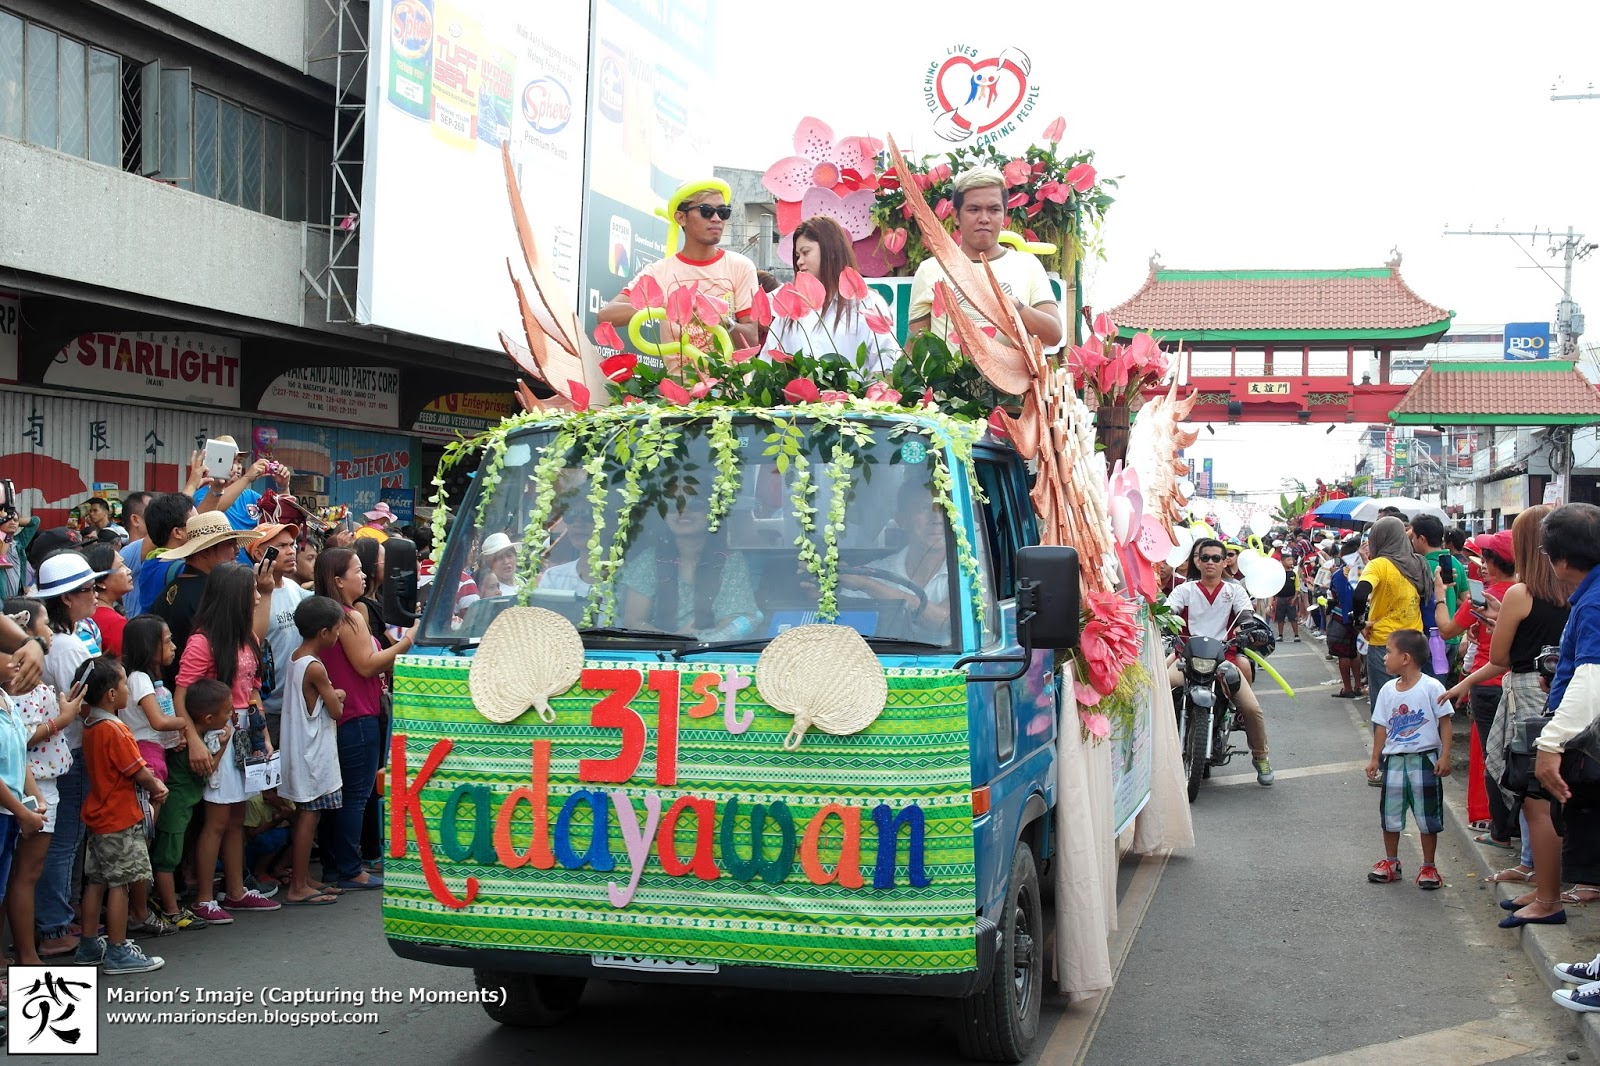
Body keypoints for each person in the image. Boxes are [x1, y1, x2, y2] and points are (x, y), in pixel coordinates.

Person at [1444, 505, 1572, 900]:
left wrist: (1498, 624)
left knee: (1533, 792)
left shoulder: (1522, 593)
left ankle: (1542, 884)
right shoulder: (1572, 593)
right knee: (1556, 789)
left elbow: (1501, 658)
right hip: (1563, 693)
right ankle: (1537, 867)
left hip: (1529, 699)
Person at [174, 563, 280, 924]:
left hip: (244, 732)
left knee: (235, 818)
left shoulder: (244, 636)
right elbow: (181, 694)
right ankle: (204, 897)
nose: (255, 594)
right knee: (217, 820)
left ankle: (235, 891)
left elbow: (251, 689)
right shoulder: (202, 641)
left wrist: (261, 733)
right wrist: (194, 742)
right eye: (250, 589)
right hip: (218, 737)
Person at [314, 548, 416, 891]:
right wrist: (407, 643)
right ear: (338, 580)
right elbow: (367, 665)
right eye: (357, 571)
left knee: (339, 797)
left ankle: (336, 865)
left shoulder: (332, 614)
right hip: (357, 713)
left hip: (346, 714)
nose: (363, 576)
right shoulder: (348, 617)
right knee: (355, 796)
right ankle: (350, 867)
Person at [70, 656, 167, 974]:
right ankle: (117, 950)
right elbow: (136, 770)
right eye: (124, 683)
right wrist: (157, 788)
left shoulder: (90, 724)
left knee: (96, 881)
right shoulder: (115, 730)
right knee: (121, 884)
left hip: (98, 816)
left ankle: (88, 944)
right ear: (111, 694)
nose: (127, 688)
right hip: (120, 819)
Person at [33, 550, 107, 959]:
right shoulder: (66, 648)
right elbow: (86, 702)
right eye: (88, 589)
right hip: (68, 751)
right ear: (66, 598)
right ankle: (55, 925)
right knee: (64, 843)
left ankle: (58, 916)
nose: (95, 594)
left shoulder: (55, 642)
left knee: (61, 843)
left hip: (55, 752)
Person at [2, 597, 82, 964]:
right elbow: (24, 742)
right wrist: (61, 720)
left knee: (18, 875)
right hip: (20, 796)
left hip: (34, 792)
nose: (48, 632)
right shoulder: (16, 692)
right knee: (24, 876)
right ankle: (28, 955)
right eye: (43, 624)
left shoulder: (14, 693)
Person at [907, 167, 1062, 349]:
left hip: (1015, 377)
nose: (984, 218)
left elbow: (1054, 335)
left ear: (1004, 215)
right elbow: (916, 346)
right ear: (956, 216)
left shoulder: (1027, 265)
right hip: (950, 378)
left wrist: (1015, 306)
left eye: (994, 210)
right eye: (973, 209)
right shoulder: (930, 269)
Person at [598, 184, 760, 357]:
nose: (716, 218)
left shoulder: (741, 266)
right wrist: (664, 306)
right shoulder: (659, 271)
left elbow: (751, 340)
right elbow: (606, 315)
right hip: (677, 383)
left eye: (723, 212)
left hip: (730, 383)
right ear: (681, 217)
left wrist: (722, 321)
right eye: (706, 211)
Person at [1430, 530, 1517, 848]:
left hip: (1488, 682)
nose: (1479, 563)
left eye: (1484, 557)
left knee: (1490, 756)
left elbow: (1448, 627)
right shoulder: (1528, 591)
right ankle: (1510, 823)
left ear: (1494, 562)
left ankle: (1495, 823)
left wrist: (1441, 593)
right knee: (1516, 757)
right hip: (1517, 682)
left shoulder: (1488, 596)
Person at [1163, 537, 1273, 786]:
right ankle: (1153, 753)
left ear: (1225, 562)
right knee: (1159, 690)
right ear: (1197, 561)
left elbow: (1246, 614)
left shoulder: (1235, 591)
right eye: (1205, 558)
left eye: (1216, 558)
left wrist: (1250, 628)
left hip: (1224, 661)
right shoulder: (1184, 590)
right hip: (1187, 659)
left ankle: (1261, 756)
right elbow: (1170, 611)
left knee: (1252, 709)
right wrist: (1162, 621)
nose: (1210, 562)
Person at [1364, 628, 1451, 888]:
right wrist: (1375, 758)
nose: (1384, 657)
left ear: (1405, 658)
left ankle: (1428, 867)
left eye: (1389, 652)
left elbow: (1445, 722)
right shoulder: (1387, 690)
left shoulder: (1431, 686)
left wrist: (1445, 755)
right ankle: (1392, 861)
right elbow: (1381, 726)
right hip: (1395, 762)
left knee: (1427, 816)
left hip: (1423, 760)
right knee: (1390, 814)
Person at [761, 215, 902, 372]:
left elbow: (888, 364)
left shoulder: (866, 303)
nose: (799, 261)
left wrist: (858, 395)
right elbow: (768, 367)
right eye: (797, 256)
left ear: (831, 251)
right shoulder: (789, 310)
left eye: (805, 252)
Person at [278, 595, 346, 906]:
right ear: (323, 633)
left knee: (308, 815)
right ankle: (297, 885)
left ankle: (303, 878)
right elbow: (335, 710)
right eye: (336, 629)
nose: (338, 634)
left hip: (300, 748)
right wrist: (338, 693)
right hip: (312, 752)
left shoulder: (295, 657)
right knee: (309, 815)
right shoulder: (315, 667)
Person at [150, 679, 231, 930]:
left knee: (169, 856)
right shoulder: (193, 748)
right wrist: (224, 745)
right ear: (207, 718)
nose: (230, 715)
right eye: (226, 712)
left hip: (181, 807)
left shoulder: (192, 737)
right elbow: (208, 771)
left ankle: (161, 902)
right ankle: (171, 910)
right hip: (174, 809)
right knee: (166, 860)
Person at [621, 497, 758, 641]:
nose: (683, 511)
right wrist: (675, 640)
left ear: (712, 511)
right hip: (655, 654)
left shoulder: (730, 560)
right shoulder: (648, 560)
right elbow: (634, 622)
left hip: (712, 655)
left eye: (695, 504)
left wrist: (702, 641)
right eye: (673, 505)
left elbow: (735, 620)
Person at [149, 511, 266, 681]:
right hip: (204, 691)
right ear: (205, 551)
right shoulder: (215, 594)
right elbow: (242, 643)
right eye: (229, 545)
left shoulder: (170, 589)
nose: (236, 551)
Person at [836, 481, 953, 644]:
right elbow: (844, 623)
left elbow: (941, 622)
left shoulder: (970, 575)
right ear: (901, 520)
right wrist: (819, 594)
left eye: (943, 509)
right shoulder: (877, 570)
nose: (937, 519)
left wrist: (868, 585)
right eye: (924, 508)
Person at [1352, 516, 1428, 698]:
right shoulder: (1419, 562)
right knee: (1411, 702)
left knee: (1384, 703)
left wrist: (1360, 622)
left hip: (1385, 644)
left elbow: (1360, 593)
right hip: (1415, 642)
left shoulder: (1379, 564)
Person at [251, 523, 309, 749]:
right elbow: (252, 642)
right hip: (268, 707)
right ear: (258, 553)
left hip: (297, 704)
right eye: (281, 546)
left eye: (292, 545)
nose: (290, 550)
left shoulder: (294, 587)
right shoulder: (251, 593)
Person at [129, 492, 196, 621]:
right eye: (196, 524)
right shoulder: (183, 570)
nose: (201, 529)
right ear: (177, 532)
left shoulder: (151, 562)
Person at [1326, 535, 1366, 699]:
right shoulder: (1366, 570)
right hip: (1362, 617)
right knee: (1354, 652)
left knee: (1344, 654)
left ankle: (1348, 688)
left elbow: (1333, 593)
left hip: (1342, 617)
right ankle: (1357, 685)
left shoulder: (1337, 575)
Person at [82, 542, 133, 657]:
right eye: (121, 566)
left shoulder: (84, 614)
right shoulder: (115, 623)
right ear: (100, 582)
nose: (128, 570)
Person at [1272, 564, 1300, 642]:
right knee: (1280, 618)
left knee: (1293, 617)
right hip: (1280, 597)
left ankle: (1296, 635)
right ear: (1282, 561)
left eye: (1291, 560)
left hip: (1291, 597)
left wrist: (1295, 597)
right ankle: (1280, 635)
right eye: (1288, 560)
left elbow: (1297, 586)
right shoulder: (1278, 574)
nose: (1290, 562)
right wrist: (1274, 598)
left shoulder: (1294, 573)